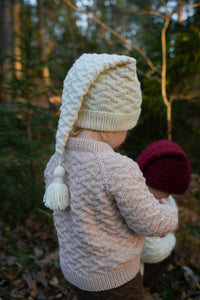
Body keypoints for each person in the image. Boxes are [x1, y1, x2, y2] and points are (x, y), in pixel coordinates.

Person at [43, 53, 178, 300]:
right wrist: (170, 211)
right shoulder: (116, 167)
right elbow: (150, 223)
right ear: (112, 123)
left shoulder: (57, 161)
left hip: (75, 273)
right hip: (114, 281)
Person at [136, 139, 191, 287]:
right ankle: (140, 288)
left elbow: (170, 201)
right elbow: (151, 253)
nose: (167, 197)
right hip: (121, 275)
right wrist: (171, 235)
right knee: (168, 254)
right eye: (165, 193)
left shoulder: (141, 184)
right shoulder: (140, 206)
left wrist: (170, 218)